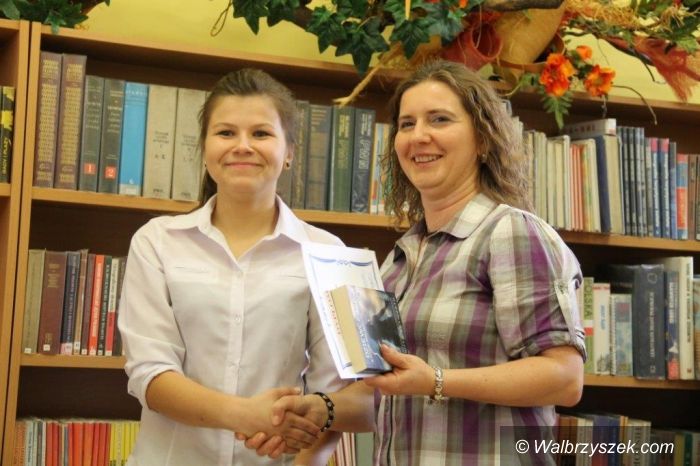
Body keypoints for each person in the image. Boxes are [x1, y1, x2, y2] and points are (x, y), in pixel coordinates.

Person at [243, 59, 586, 465]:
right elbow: (387, 396)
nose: (419, 136)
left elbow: (564, 379)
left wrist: (436, 381)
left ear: (482, 139)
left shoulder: (510, 232)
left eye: (439, 119)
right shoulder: (398, 260)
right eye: (407, 124)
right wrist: (321, 409)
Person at [117, 68, 347, 466]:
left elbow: (336, 394)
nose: (242, 146)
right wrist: (247, 415)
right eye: (225, 133)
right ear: (205, 147)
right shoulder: (156, 241)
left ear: (289, 151)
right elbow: (150, 375)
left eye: (261, 133)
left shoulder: (329, 253)